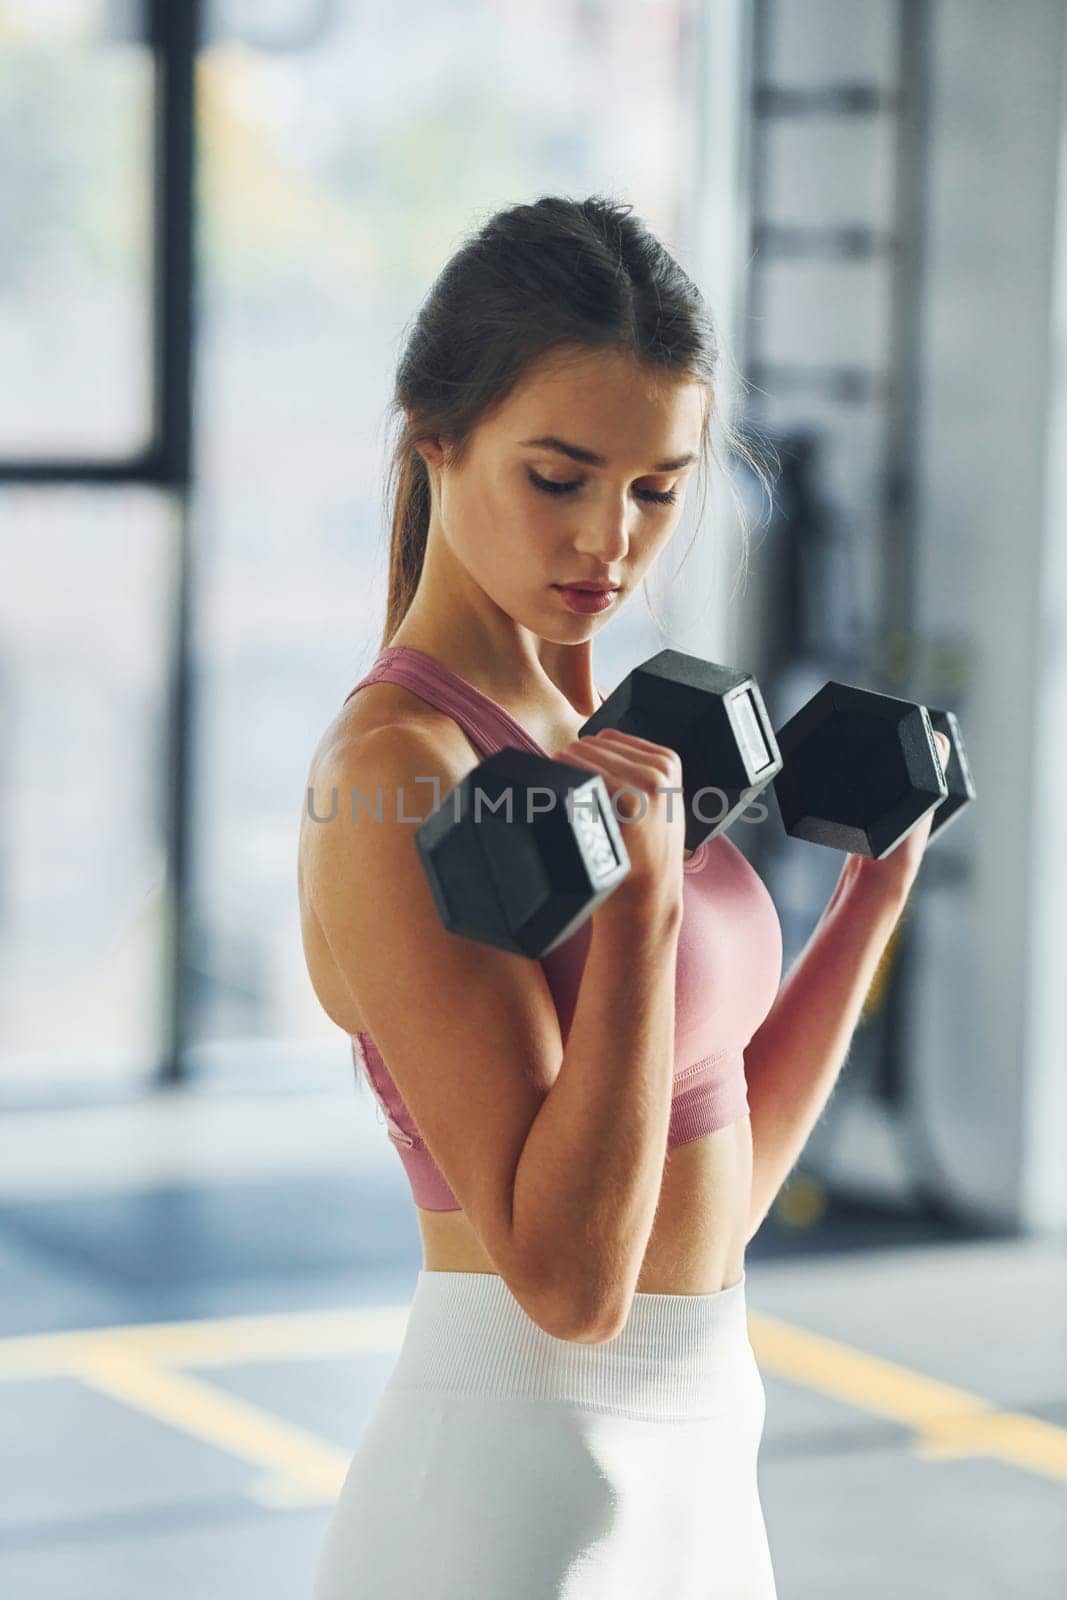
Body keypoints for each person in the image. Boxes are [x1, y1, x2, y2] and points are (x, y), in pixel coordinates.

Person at [298, 193, 904, 1599]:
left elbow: (718, 1185)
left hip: (702, 1461)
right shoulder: (399, 767)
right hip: (514, 1486)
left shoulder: (596, 725)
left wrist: (870, 895)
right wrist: (643, 918)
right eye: (559, 477)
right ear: (433, 440)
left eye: (657, 487)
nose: (611, 544)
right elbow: (570, 1287)